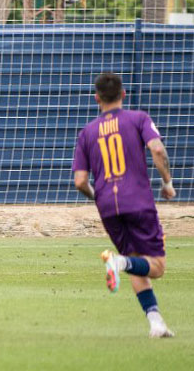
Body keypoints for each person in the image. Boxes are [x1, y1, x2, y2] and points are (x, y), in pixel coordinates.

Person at [72, 72, 175, 338]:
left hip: (108, 206)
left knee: (134, 261)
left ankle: (156, 322)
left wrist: (98, 196)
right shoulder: (138, 118)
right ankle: (118, 264)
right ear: (123, 94)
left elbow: (80, 181)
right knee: (157, 267)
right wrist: (167, 183)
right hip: (138, 201)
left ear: (96, 97)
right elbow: (157, 149)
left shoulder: (87, 133)